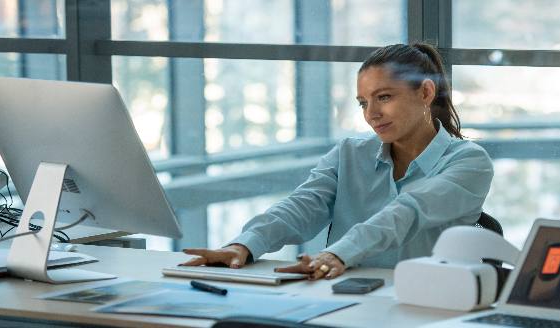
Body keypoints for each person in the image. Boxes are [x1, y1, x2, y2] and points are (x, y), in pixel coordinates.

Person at [180, 43, 494, 280]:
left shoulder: (469, 162)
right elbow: (302, 206)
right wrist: (244, 246)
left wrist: (336, 253)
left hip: (428, 305)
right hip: (345, 300)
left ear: (425, 92)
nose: (371, 114)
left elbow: (406, 212)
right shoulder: (349, 154)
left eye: (384, 97)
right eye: (363, 103)